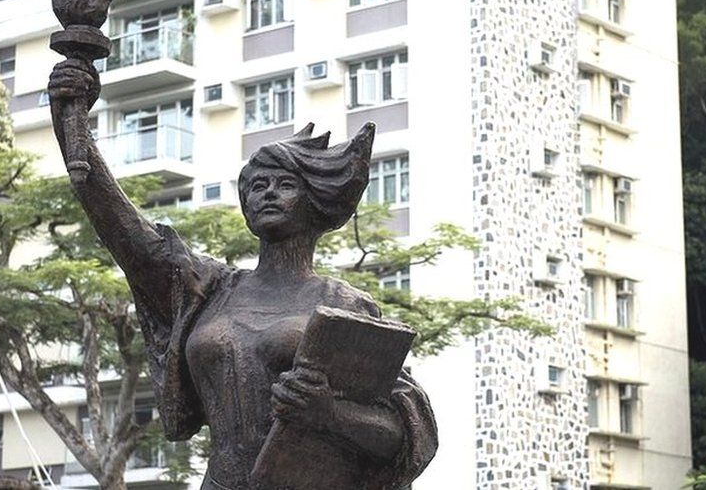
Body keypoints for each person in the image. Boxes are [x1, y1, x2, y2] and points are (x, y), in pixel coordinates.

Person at [48, 33, 436, 490]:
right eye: (257, 184)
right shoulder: (208, 290)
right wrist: (71, 112)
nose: (268, 192)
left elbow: (408, 435)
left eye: (284, 184)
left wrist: (332, 414)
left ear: (314, 201)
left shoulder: (344, 304)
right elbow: (120, 226)